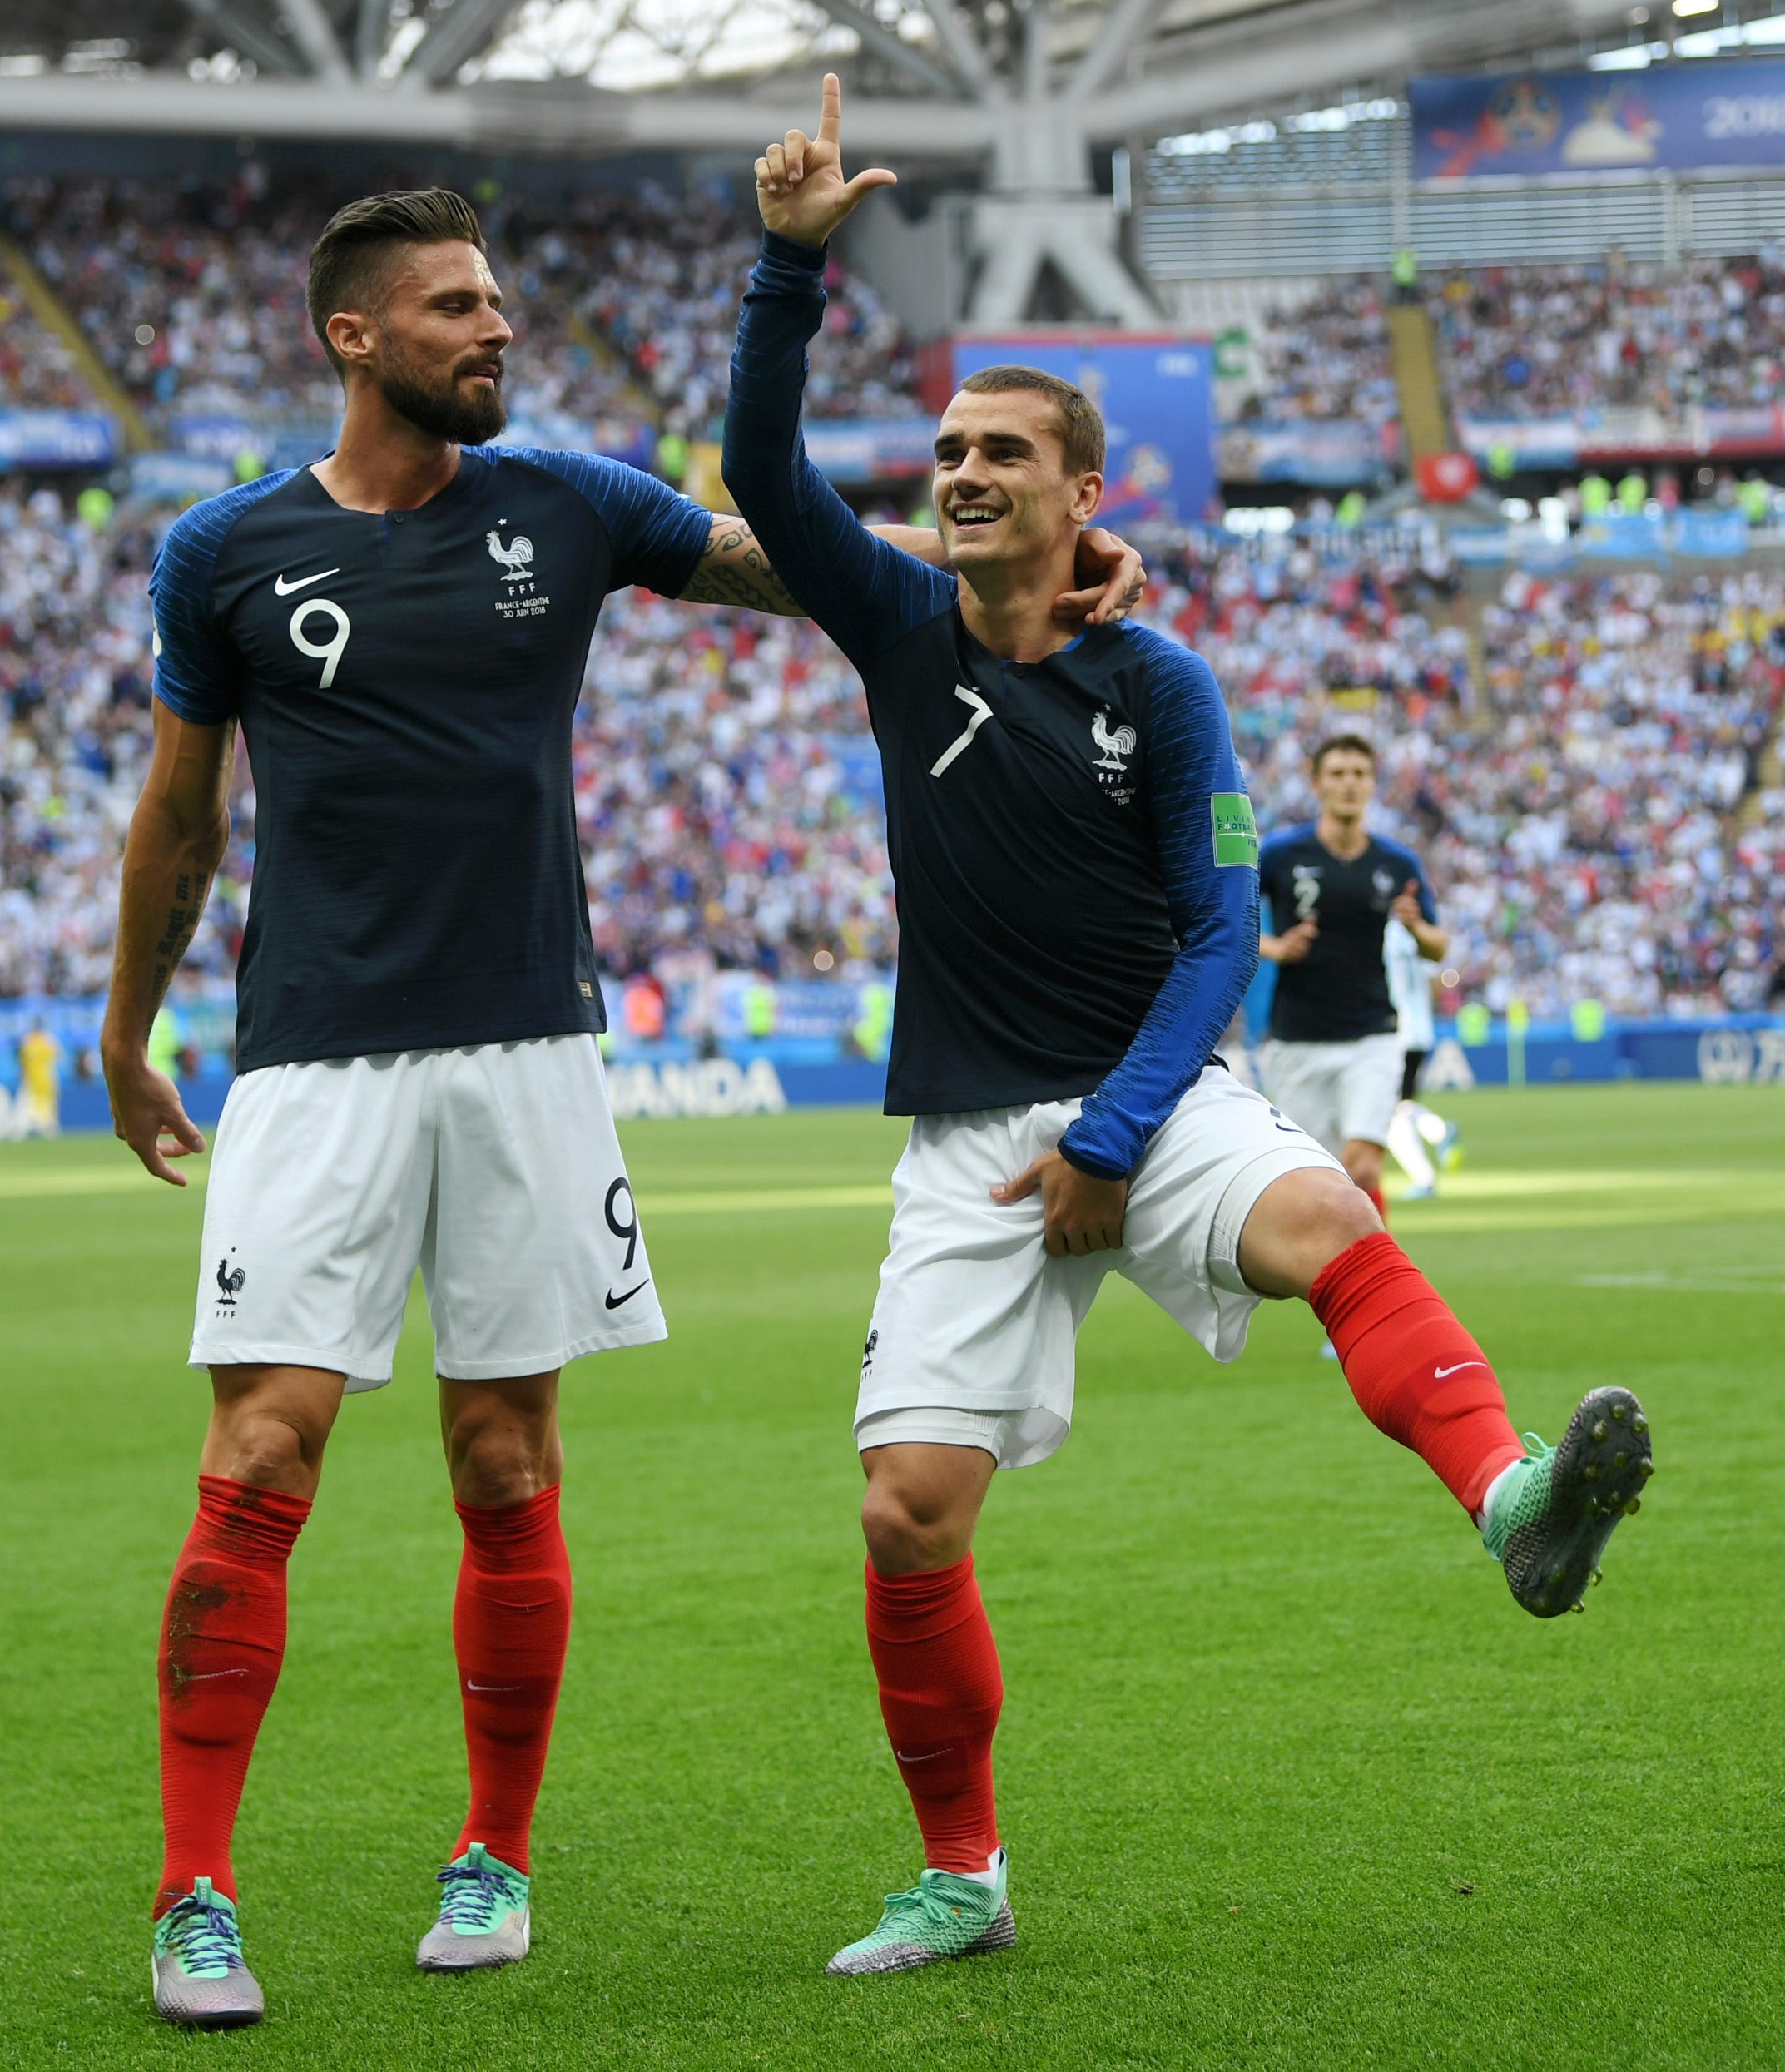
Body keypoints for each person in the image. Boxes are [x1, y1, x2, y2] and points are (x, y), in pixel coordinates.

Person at [100, 185, 1150, 2028]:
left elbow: (794, 556)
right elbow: (182, 815)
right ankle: (194, 1893)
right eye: (453, 308)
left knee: (505, 1462)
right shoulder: (225, 552)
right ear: (355, 337)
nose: (495, 329)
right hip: (309, 1057)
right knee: (262, 1448)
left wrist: (1010, 562)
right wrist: (125, 1029)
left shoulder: (569, 503)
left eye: (498, 302)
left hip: (528, 1050)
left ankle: (491, 1854)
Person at [724, 77, 1654, 1980]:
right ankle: (962, 1871)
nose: (962, 469)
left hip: (1158, 1088)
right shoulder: (897, 629)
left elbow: (1225, 923)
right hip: (972, 1133)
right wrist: (786, 266)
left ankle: (1513, 1501)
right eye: (952, 445)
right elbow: (762, 465)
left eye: (1003, 452)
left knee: (1333, 1227)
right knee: (908, 1517)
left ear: (1086, 497)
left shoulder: (1167, 684)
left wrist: (1122, 1134)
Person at [1256, 737, 1440, 1224]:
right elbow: (1222, 917)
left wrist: (1417, 928)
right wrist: (1276, 948)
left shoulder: (1395, 863)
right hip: (1299, 1039)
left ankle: (1380, 1283)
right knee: (1317, 1183)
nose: (1349, 783)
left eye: (1359, 773)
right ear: (1316, 783)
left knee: (1362, 1168)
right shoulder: (1280, 854)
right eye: (1337, 773)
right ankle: (1336, 1280)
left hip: (1373, 1035)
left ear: (1373, 784)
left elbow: (1438, 944)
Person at [1381, 914, 1456, 1200]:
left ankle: (1424, 1174)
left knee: (1390, 1110)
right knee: (1400, 1104)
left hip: (1394, 1031)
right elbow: (1436, 984)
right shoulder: (1417, 935)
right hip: (1420, 1029)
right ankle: (1438, 1132)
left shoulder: (1381, 935)